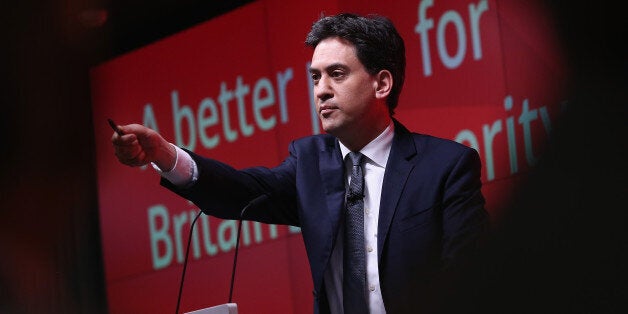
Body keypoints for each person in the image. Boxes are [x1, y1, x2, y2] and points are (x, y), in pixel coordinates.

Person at [112, 13, 490, 314]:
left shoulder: (446, 167)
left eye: (336, 74)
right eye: (315, 78)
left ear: (382, 84)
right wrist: (163, 153)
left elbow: (471, 282)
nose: (321, 89)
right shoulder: (309, 162)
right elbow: (238, 192)